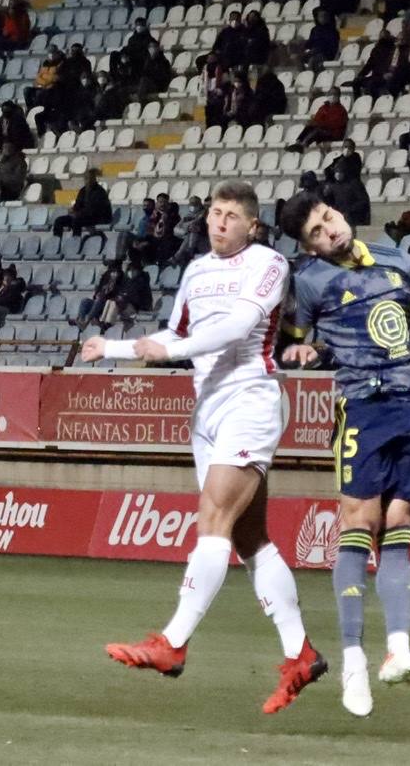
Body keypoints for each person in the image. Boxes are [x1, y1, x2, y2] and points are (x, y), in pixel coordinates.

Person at [82, 182, 326, 716]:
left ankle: (172, 642)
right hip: (207, 409)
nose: (219, 223)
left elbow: (238, 327)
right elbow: (175, 332)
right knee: (249, 539)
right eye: (215, 213)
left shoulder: (266, 263)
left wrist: (174, 349)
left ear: (251, 226)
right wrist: (117, 348)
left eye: (231, 216)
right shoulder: (195, 270)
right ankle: (300, 654)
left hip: (250, 397)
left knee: (212, 517)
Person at [278, 192, 410, 718]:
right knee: (360, 521)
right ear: (305, 244)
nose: (328, 231)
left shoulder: (400, 259)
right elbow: (293, 347)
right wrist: (308, 353)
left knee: (401, 522)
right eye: (314, 231)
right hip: (362, 409)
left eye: (327, 219)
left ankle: (397, 650)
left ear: (339, 213)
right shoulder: (309, 284)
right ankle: (353, 658)